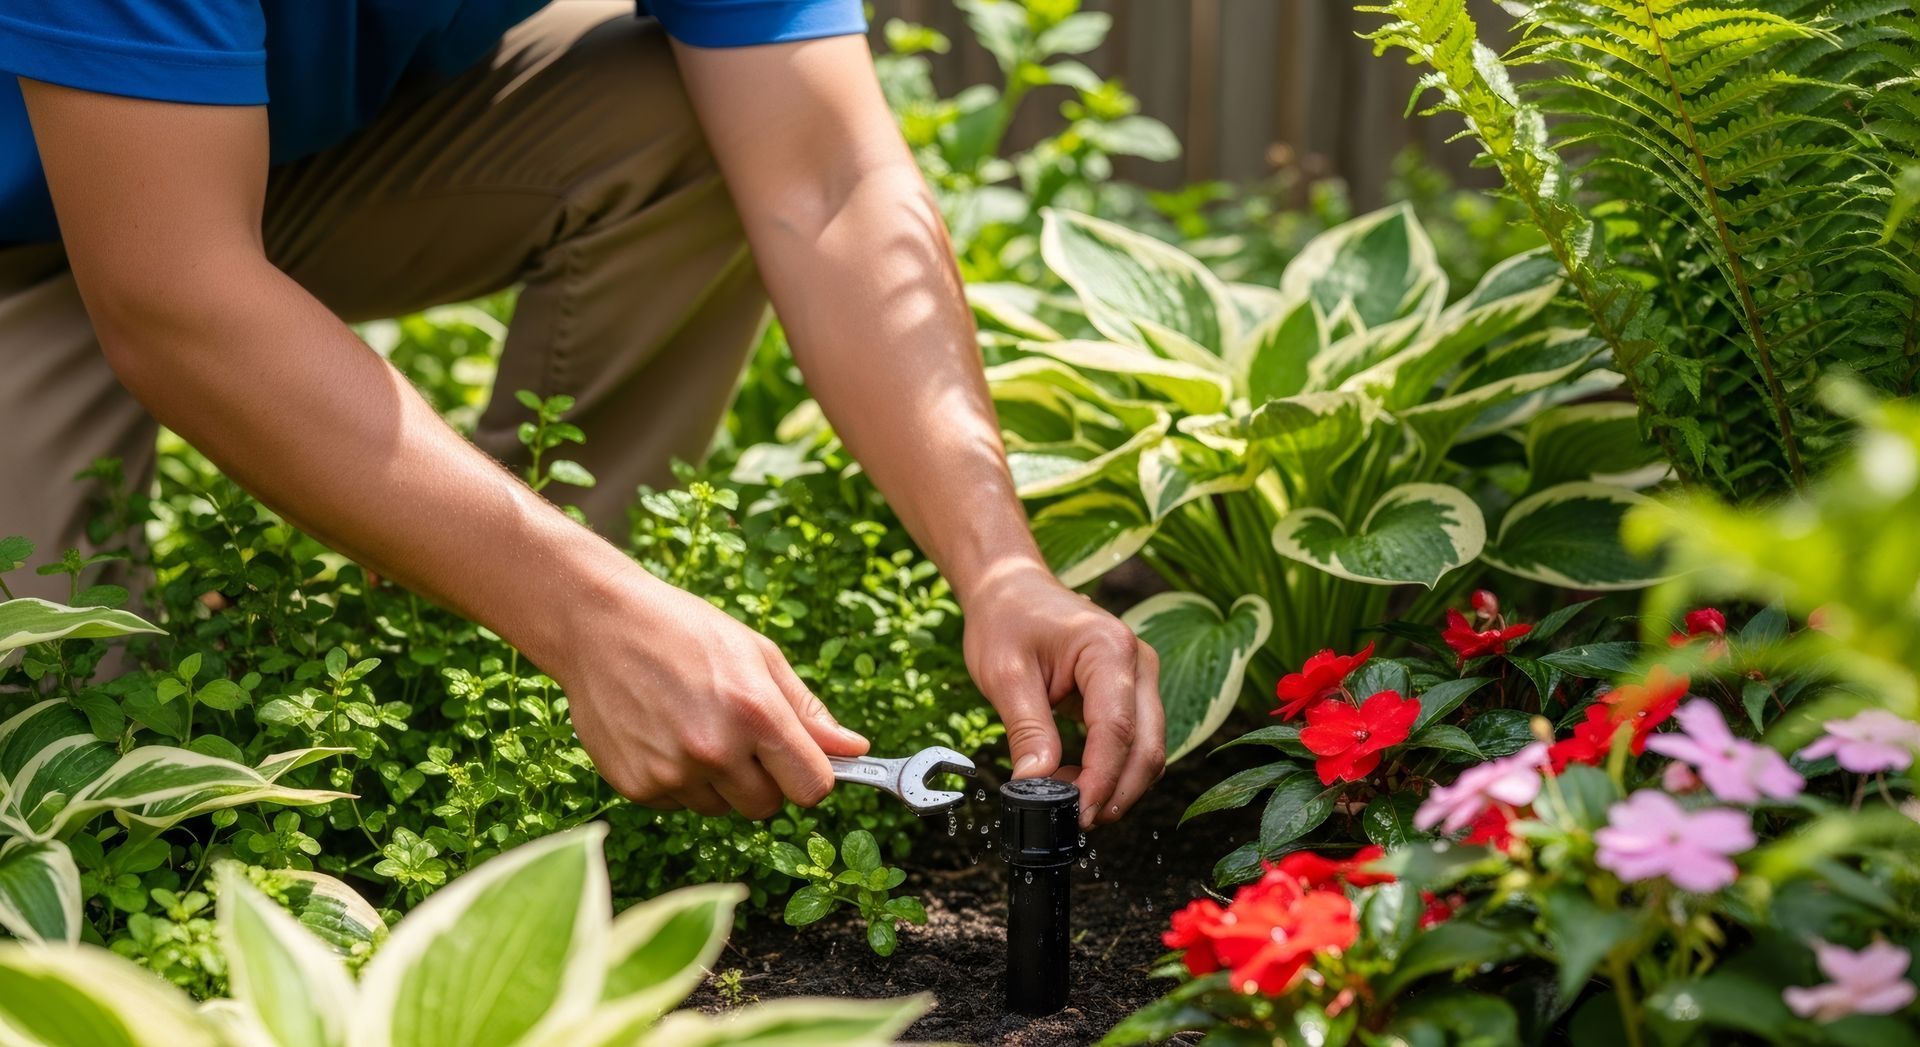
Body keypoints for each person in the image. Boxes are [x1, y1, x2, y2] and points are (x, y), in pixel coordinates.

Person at [0, 1, 1164, 829]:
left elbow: (827, 177)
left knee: (683, 120)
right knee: (64, 764)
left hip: (234, 169)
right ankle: (590, 628)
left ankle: (527, 670)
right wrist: (588, 615)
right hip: (61, 233)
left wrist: (1002, 569)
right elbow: (168, 293)